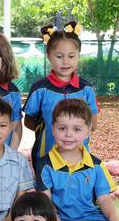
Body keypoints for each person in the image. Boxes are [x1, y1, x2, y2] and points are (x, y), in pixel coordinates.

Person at [36, 98, 119, 221]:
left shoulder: (96, 165)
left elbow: (104, 198)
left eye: (76, 129)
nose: (68, 135)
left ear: (88, 130)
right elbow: (45, 201)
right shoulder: (45, 164)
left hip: (93, 218)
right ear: (53, 128)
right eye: (62, 128)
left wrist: (114, 220)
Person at [23, 21, 99, 171]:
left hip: (79, 160)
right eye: (59, 56)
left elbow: (93, 125)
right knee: (46, 194)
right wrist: (50, 132)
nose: (65, 61)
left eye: (71, 56)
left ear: (78, 56)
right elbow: (29, 122)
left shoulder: (86, 90)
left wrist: (73, 134)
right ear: (49, 56)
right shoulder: (40, 89)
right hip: (46, 156)